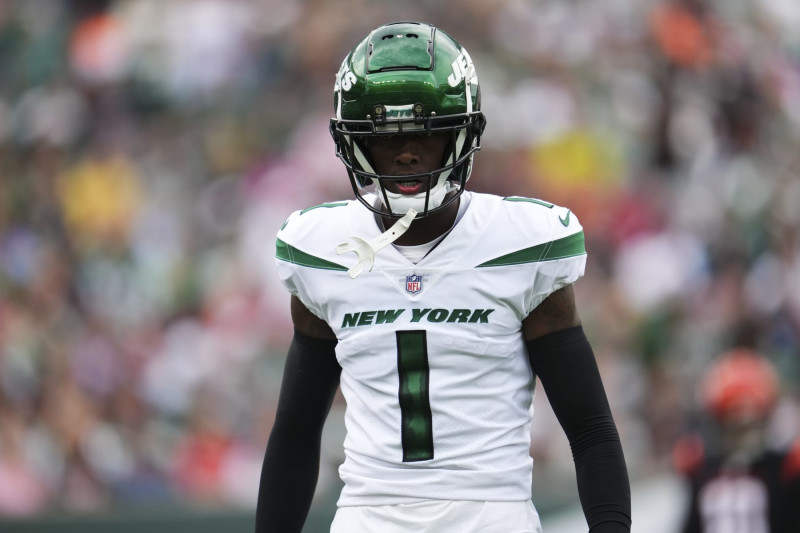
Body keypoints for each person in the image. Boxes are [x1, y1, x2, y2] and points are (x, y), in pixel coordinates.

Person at [255, 21, 631, 533]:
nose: (407, 154)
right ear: (354, 143)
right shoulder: (323, 250)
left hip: (492, 515)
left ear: (462, 133)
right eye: (387, 138)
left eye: (426, 136)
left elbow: (589, 431)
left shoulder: (520, 242)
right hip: (370, 515)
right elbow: (296, 436)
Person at [673, 348, 800, 532]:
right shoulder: (702, 468)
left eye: (751, 419)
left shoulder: (783, 468)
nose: (743, 427)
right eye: (735, 419)